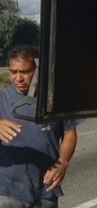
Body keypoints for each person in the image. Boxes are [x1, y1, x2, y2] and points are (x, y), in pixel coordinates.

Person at [0, 45, 77, 208]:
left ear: (38, 70)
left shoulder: (54, 99)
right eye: (13, 72)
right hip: (7, 189)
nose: (18, 78)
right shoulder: (2, 97)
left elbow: (69, 132)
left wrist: (63, 162)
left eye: (25, 72)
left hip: (46, 187)